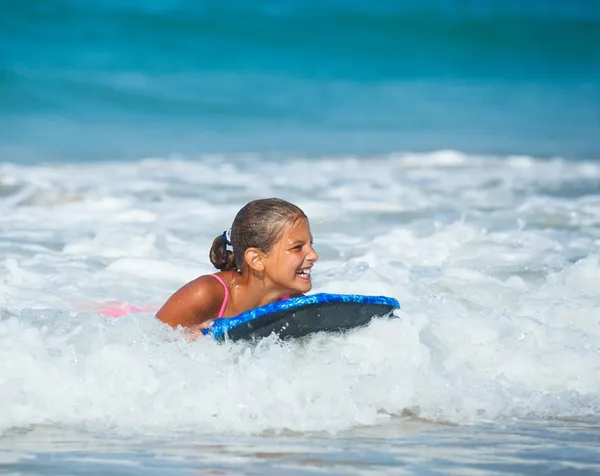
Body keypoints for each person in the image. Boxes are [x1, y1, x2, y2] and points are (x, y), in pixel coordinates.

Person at [156, 198, 318, 334]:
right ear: (256, 259)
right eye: (297, 248)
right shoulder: (206, 294)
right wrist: (186, 336)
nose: (314, 255)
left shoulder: (294, 306)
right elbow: (147, 341)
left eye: (310, 245)